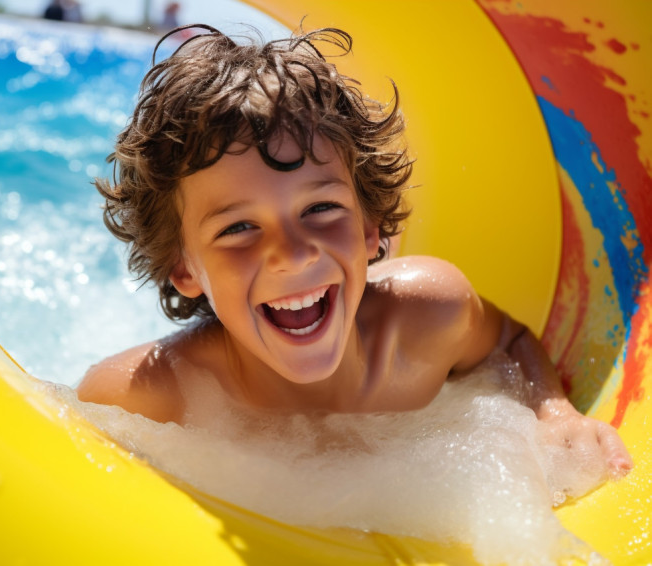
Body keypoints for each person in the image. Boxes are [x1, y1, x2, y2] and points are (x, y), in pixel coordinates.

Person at [77, 26, 632, 478]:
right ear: (183, 268)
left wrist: (551, 407)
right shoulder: (145, 398)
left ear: (372, 229)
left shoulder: (426, 319)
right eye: (240, 227)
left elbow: (510, 339)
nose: (292, 255)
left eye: (320, 209)